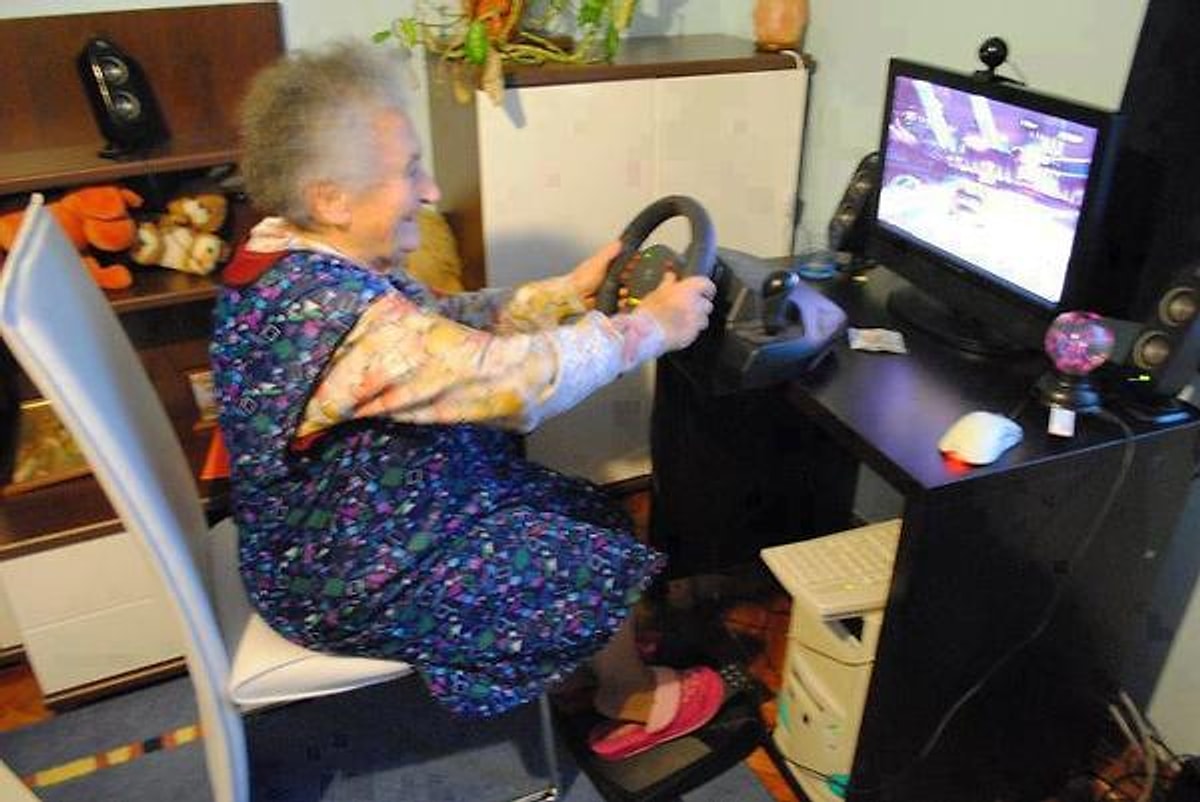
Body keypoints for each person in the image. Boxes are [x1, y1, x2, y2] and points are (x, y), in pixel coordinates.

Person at [210, 41, 721, 760]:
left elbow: (444, 327)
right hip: (342, 575)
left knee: (584, 508)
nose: (429, 191)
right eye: (409, 171)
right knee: (584, 558)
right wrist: (650, 329)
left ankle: (593, 664)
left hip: (354, 524)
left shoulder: (297, 255)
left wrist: (570, 293)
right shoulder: (335, 313)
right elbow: (511, 384)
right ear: (331, 197)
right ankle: (627, 697)